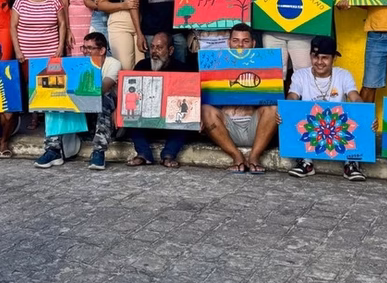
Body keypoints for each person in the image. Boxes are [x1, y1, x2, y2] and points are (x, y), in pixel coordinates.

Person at [282, 36, 369, 181]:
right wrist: (285, 109)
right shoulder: (300, 75)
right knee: (291, 113)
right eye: (315, 57)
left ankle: (351, 163)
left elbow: (355, 97)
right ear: (310, 56)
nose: (319, 62)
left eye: (325, 58)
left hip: (338, 126)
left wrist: (365, 115)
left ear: (334, 58)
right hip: (311, 126)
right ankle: (306, 162)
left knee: (358, 114)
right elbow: (292, 96)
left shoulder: (343, 75)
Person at [34, 32, 122, 170]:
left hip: (103, 119)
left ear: (102, 50)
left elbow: (102, 89)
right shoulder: (78, 64)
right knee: (55, 97)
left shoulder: (113, 64)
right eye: (84, 48)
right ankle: (53, 150)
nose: (85, 52)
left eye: (90, 48)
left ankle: (99, 151)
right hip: (80, 117)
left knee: (104, 98)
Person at [200, 24, 279, 174]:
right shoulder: (215, 64)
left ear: (253, 44)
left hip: (256, 131)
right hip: (226, 131)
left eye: (245, 41)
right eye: (235, 41)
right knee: (205, 109)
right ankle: (236, 156)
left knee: (273, 108)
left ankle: (254, 156)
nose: (240, 45)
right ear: (229, 42)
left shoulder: (265, 65)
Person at [126, 32, 190, 168]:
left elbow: (191, 101)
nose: (154, 51)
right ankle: (143, 154)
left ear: (171, 50)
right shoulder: (141, 66)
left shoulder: (182, 69)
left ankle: (168, 155)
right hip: (146, 121)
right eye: (152, 47)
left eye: (159, 48)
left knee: (187, 119)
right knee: (128, 115)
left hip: (171, 122)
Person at [11, 0, 66, 65]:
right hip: (26, 55)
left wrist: (60, 47)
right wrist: (17, 50)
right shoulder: (20, 0)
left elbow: (62, 23)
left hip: (51, 53)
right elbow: (13, 27)